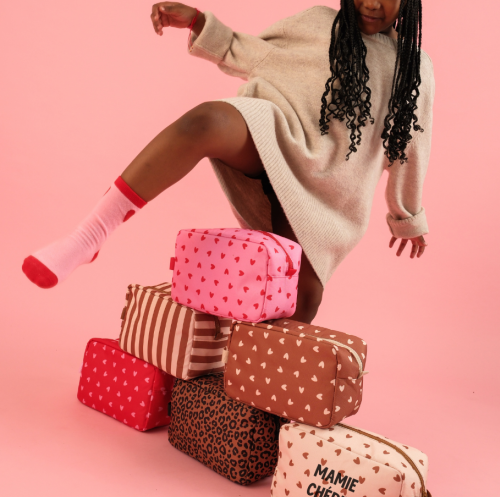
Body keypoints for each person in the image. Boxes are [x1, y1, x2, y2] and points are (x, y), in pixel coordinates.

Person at [22, 0, 434, 324]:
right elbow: (255, 53)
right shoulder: (318, 23)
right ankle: (89, 236)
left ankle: (245, 386)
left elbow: (410, 144)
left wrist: (407, 215)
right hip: (276, 135)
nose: (371, 3)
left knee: (298, 303)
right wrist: (198, 22)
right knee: (207, 121)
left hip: (328, 195)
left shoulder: (413, 67)